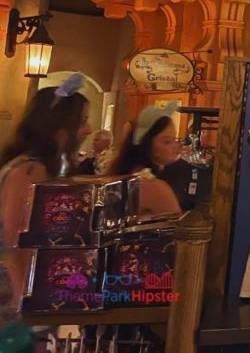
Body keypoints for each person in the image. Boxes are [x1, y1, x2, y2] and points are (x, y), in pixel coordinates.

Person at [0, 75, 90, 322]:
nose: (88, 130)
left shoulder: (33, 166)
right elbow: (14, 242)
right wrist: (26, 305)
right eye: (82, 121)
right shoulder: (30, 170)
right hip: (9, 300)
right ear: (60, 127)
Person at [110, 104, 184, 216]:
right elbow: (176, 231)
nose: (176, 146)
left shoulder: (125, 172)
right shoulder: (154, 186)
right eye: (167, 141)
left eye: (175, 139)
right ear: (147, 144)